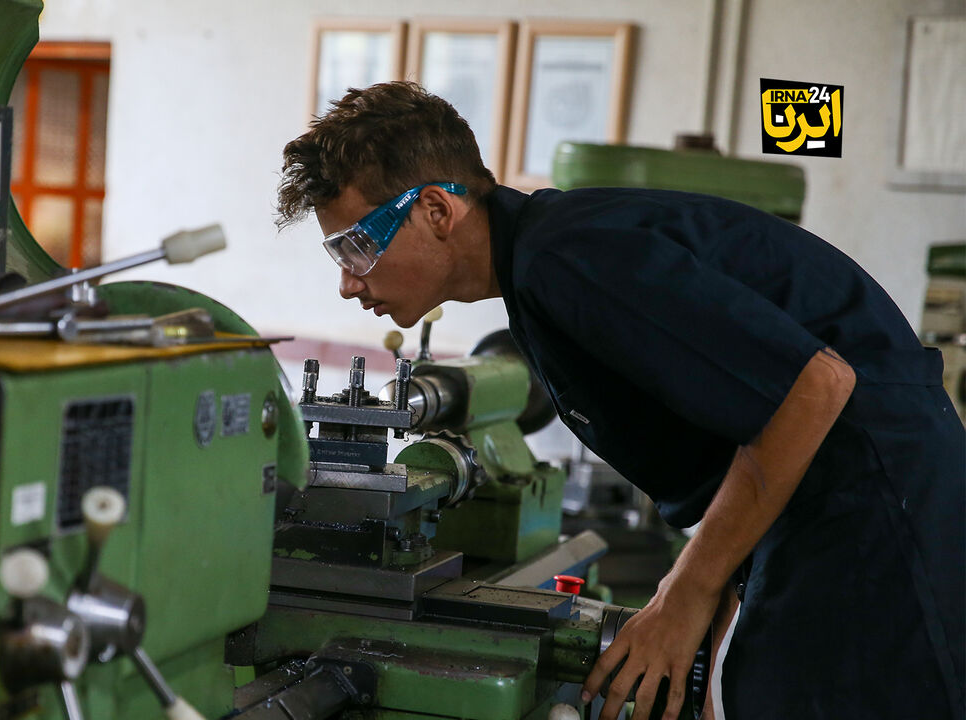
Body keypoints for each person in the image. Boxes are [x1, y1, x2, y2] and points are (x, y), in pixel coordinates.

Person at [275, 81, 964, 720]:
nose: (348, 282)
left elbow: (815, 387)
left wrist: (684, 595)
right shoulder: (541, 267)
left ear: (436, 211)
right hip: (833, 503)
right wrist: (725, 586)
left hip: (874, 509)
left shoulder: (563, 257)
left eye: (357, 246)